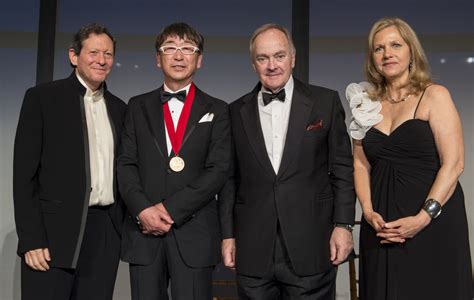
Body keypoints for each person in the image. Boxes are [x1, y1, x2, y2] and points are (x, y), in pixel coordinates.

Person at [220, 23, 355, 299]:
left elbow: (342, 169)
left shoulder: (325, 102)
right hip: (253, 249)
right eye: (263, 58)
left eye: (279, 56)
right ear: (253, 63)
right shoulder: (234, 111)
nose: (272, 65)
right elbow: (229, 180)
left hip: (312, 245)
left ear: (293, 58)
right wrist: (227, 235)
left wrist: (343, 225)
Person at [347, 17, 472, 300]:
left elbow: (454, 164)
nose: (387, 53)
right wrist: (367, 212)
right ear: (372, 57)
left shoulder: (434, 95)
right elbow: (360, 164)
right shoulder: (364, 104)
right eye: (378, 48)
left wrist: (423, 217)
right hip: (381, 226)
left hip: (432, 224)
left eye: (395, 45)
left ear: (411, 51)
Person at [118, 22, 231, 300]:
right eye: (170, 48)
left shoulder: (218, 110)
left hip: (195, 232)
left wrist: (169, 209)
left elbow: (218, 171)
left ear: (199, 59)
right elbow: (125, 164)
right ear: (158, 59)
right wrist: (143, 210)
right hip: (144, 232)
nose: (179, 56)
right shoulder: (136, 106)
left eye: (187, 49)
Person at [13, 23, 126, 300]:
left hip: (104, 236)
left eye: (108, 54)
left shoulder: (120, 109)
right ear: (74, 56)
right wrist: (32, 239)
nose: (102, 60)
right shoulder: (42, 98)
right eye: (94, 52)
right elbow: (23, 176)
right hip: (52, 236)